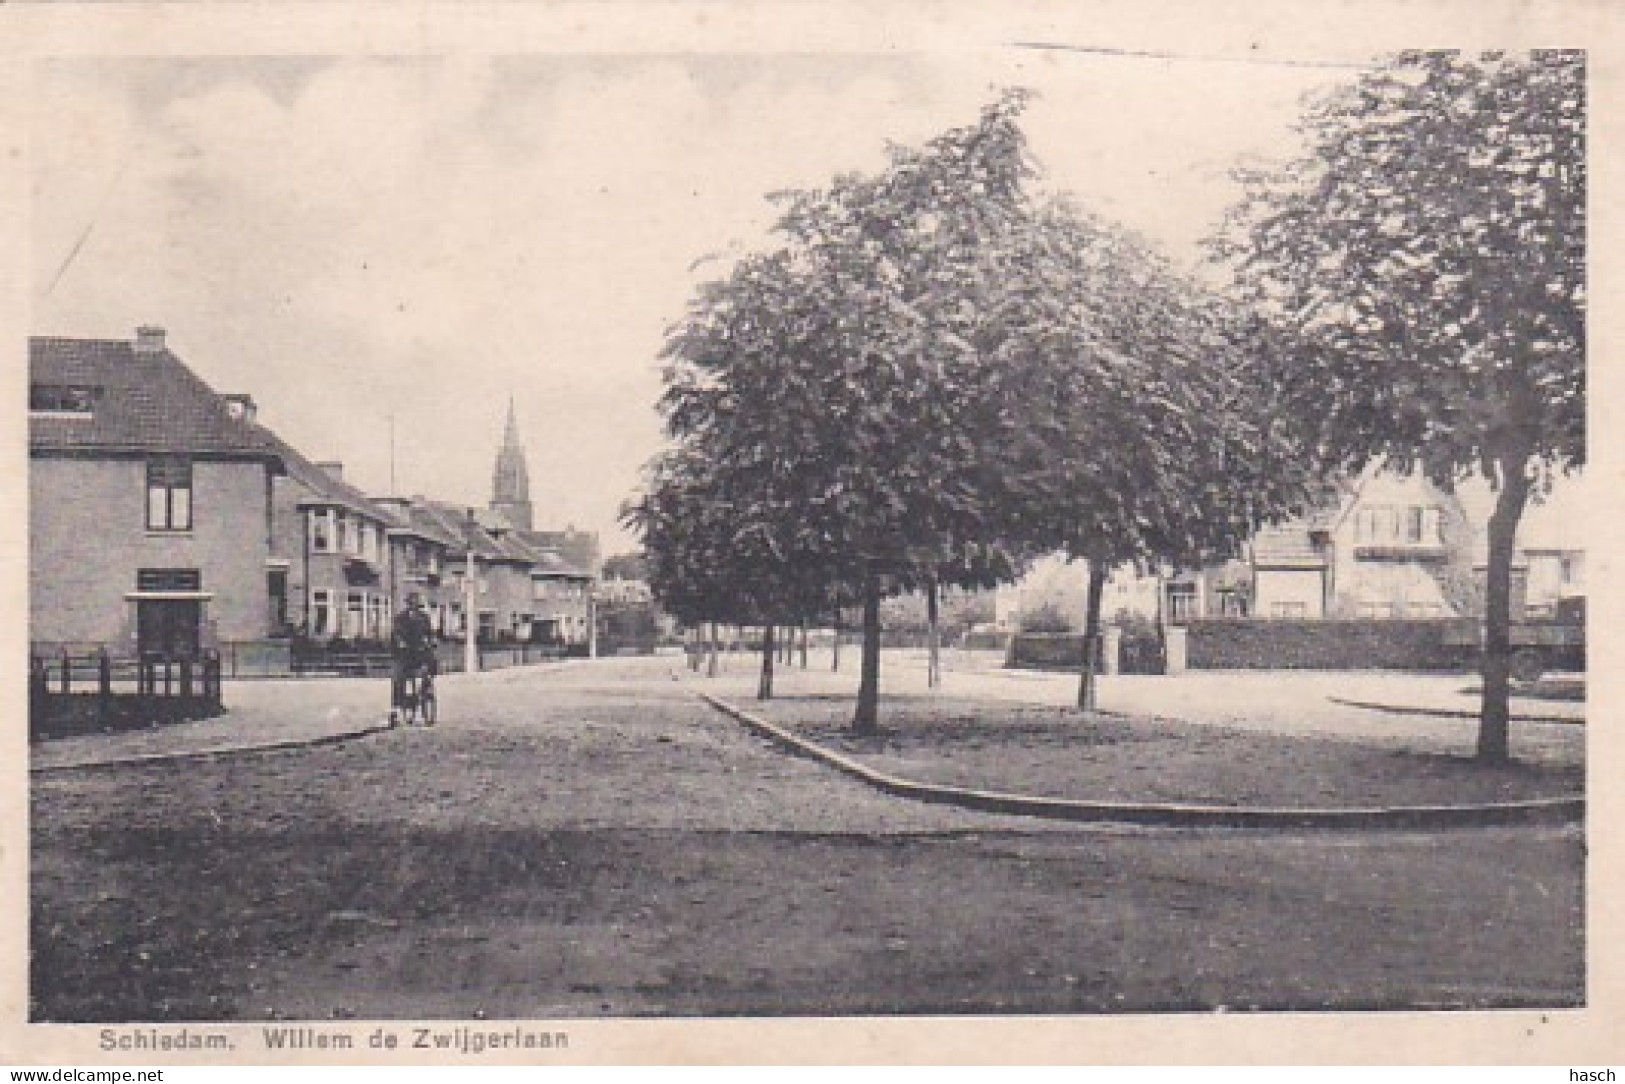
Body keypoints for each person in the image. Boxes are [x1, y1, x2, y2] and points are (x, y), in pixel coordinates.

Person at [390, 592, 438, 723]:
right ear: (408, 604)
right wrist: (401, 642)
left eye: (416, 604)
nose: (414, 607)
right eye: (412, 604)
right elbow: (397, 634)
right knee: (398, 677)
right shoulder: (400, 618)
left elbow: (430, 633)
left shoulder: (424, 618)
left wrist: (432, 641)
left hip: (419, 651)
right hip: (405, 653)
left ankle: (426, 690)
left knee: (431, 662)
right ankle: (396, 707)